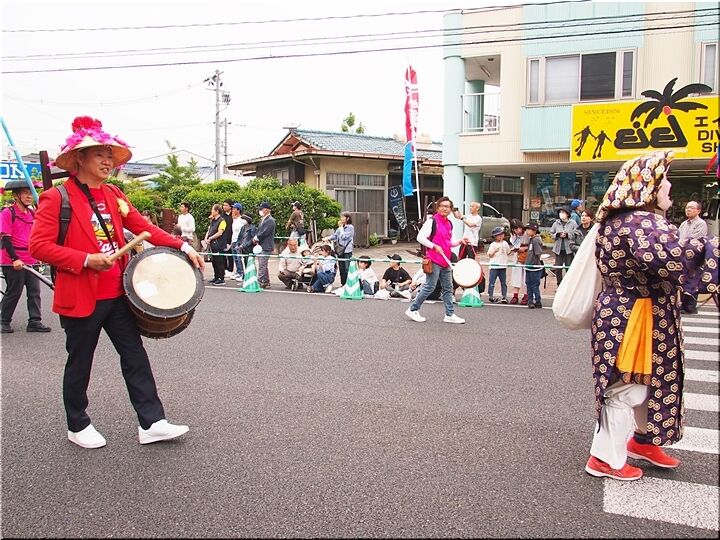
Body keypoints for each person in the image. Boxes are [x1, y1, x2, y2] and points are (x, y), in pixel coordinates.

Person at [28, 115, 204, 449]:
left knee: (135, 356)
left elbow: (143, 227)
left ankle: (151, 422)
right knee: (80, 362)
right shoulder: (57, 197)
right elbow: (38, 246)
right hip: (81, 295)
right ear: (80, 158)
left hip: (119, 293)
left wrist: (183, 246)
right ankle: (77, 425)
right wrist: (85, 259)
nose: (108, 160)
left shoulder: (112, 194)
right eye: (100, 154)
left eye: (110, 155)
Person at [585, 150, 718, 481]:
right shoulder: (640, 222)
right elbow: (674, 258)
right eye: (664, 179)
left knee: (649, 380)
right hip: (635, 313)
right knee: (627, 386)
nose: (670, 186)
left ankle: (643, 440)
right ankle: (604, 458)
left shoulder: (624, 220)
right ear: (647, 186)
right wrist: (712, 249)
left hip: (635, 310)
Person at [405, 196, 467, 324]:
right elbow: (420, 237)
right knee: (430, 286)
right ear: (438, 208)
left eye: (447, 207)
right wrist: (434, 246)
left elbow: (450, 242)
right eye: (442, 206)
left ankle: (449, 314)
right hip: (434, 259)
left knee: (448, 288)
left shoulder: (449, 223)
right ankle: (412, 309)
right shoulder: (431, 222)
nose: (445, 208)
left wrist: (460, 241)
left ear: (450, 209)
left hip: (446, 260)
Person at [0, 179, 51, 334]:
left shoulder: (32, 213)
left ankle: (35, 321)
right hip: (13, 260)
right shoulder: (8, 213)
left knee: (34, 291)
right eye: (25, 193)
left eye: (30, 193)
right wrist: (15, 259)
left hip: (30, 258)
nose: (29, 196)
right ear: (16, 196)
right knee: (14, 292)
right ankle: (3, 321)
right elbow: (5, 238)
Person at [678, 200, 708, 314]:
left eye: (691, 208)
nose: (688, 210)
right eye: (687, 208)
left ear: (698, 211)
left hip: (695, 256)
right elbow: (678, 237)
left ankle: (690, 307)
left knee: (693, 281)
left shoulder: (701, 223)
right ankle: (684, 305)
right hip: (683, 256)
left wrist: (682, 243)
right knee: (684, 280)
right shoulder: (683, 224)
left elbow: (694, 240)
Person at [324, 212, 354, 286]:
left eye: (343, 217)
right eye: (341, 217)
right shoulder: (340, 228)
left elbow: (344, 237)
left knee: (347, 268)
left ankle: (348, 284)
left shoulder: (350, 227)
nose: (341, 219)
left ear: (348, 218)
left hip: (347, 250)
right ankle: (343, 284)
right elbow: (335, 236)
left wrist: (341, 228)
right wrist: (327, 238)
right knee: (342, 269)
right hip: (340, 251)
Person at [549, 207, 577, 286]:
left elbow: (576, 234)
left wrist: (568, 235)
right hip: (558, 249)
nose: (561, 214)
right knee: (558, 267)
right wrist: (557, 235)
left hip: (569, 249)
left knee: (568, 267)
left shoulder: (573, 223)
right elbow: (551, 234)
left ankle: (568, 285)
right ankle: (559, 284)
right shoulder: (556, 223)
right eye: (560, 212)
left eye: (563, 212)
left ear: (567, 214)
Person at [203, 204, 228, 285]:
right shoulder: (213, 221)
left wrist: (211, 238)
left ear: (217, 211)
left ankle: (221, 278)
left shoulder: (222, 221)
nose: (211, 211)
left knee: (219, 262)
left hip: (219, 244)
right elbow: (209, 230)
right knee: (214, 262)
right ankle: (216, 277)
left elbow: (220, 232)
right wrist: (206, 238)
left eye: (213, 210)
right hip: (212, 245)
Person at [253, 202, 276, 289]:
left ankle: (259, 281)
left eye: (261, 209)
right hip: (262, 245)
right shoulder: (263, 219)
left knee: (262, 264)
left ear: (266, 210)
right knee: (263, 264)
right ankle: (266, 281)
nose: (260, 211)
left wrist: (257, 237)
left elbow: (265, 232)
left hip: (266, 245)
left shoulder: (270, 220)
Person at [486, 226, 511, 304]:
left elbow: (508, 252)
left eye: (502, 234)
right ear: (495, 236)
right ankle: (490, 296)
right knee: (492, 282)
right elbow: (489, 255)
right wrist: (494, 251)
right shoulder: (493, 244)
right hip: (494, 266)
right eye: (499, 235)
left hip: (503, 266)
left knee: (503, 282)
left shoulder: (505, 243)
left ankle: (504, 296)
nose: (501, 236)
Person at [523, 222, 544, 309]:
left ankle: (537, 301)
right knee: (529, 284)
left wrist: (535, 262)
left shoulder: (535, 240)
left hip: (534, 266)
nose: (527, 231)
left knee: (534, 285)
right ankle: (530, 300)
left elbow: (538, 253)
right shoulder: (531, 239)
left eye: (529, 229)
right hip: (529, 265)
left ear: (534, 230)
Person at [508, 218, 527, 305]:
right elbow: (515, 245)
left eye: (519, 228)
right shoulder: (513, 236)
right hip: (517, 256)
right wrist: (513, 249)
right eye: (516, 229)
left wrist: (524, 248)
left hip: (527, 256)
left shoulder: (527, 233)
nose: (518, 230)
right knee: (516, 275)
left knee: (526, 277)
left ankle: (526, 295)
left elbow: (534, 244)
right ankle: (515, 295)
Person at [229, 203, 246, 282]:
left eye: (234, 209)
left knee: (239, 258)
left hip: (238, 241)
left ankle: (242, 273)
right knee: (235, 258)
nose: (232, 210)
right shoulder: (234, 220)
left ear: (238, 210)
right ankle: (238, 272)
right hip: (233, 240)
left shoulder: (242, 220)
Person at [221, 199, 234, 275]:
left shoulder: (233, 215)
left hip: (232, 238)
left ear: (230, 206)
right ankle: (224, 269)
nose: (224, 207)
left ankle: (231, 269)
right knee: (223, 255)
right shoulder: (222, 216)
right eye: (223, 205)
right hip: (223, 238)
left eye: (226, 205)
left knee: (231, 255)